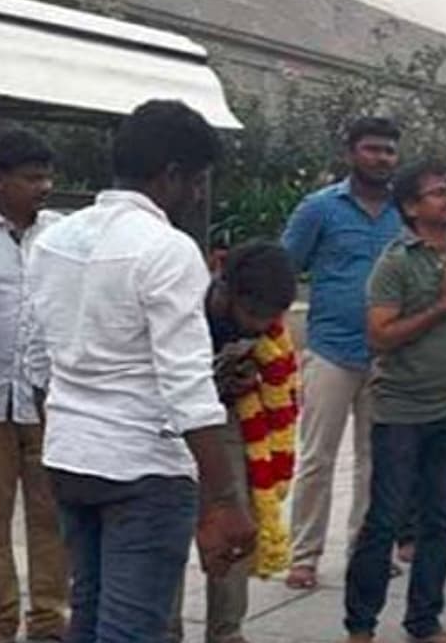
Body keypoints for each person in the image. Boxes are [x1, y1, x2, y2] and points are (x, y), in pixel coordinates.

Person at [24, 100, 256, 643]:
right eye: (195, 181)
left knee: (89, 614)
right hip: (143, 470)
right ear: (170, 174)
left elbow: (35, 360)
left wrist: (68, 429)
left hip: (70, 459)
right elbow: (187, 385)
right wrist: (225, 499)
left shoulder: (52, 241)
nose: (196, 196)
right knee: (130, 630)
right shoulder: (167, 249)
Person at [344, 161, 446, 643]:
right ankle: (360, 626)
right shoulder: (396, 262)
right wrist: (441, 305)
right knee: (384, 521)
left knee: (440, 520)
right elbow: (379, 336)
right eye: (439, 192)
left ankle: (424, 622)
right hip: (400, 413)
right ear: (412, 207)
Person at [280, 117, 403, 589]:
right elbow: (285, 267)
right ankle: (304, 555)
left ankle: (366, 550)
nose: (381, 158)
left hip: (388, 354)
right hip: (330, 350)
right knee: (316, 458)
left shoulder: (405, 212)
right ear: (351, 153)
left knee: (376, 460)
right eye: (372, 148)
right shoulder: (319, 209)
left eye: (389, 150)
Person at [168, 242, 299, 643]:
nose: (261, 326)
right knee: (169, 528)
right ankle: (164, 630)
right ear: (226, 291)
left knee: (236, 524)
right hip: (168, 423)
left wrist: (246, 380)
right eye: (255, 315)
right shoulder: (185, 310)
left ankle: (227, 631)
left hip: (226, 416)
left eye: (271, 317)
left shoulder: (264, 325)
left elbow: (277, 376)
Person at [0, 129, 67, 643]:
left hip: (49, 400)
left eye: (47, 176)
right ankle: (0, 619)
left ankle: (48, 618)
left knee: (50, 514)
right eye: (32, 178)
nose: (44, 187)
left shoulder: (64, 237)